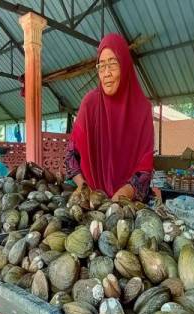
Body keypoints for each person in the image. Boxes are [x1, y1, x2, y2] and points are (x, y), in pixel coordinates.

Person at [65, 33, 154, 202]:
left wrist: (123, 195)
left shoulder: (142, 110)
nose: (106, 73)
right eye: (101, 66)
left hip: (128, 204)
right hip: (91, 204)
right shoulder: (89, 104)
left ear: (125, 65)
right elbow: (71, 156)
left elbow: (145, 168)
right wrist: (84, 188)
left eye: (112, 65)